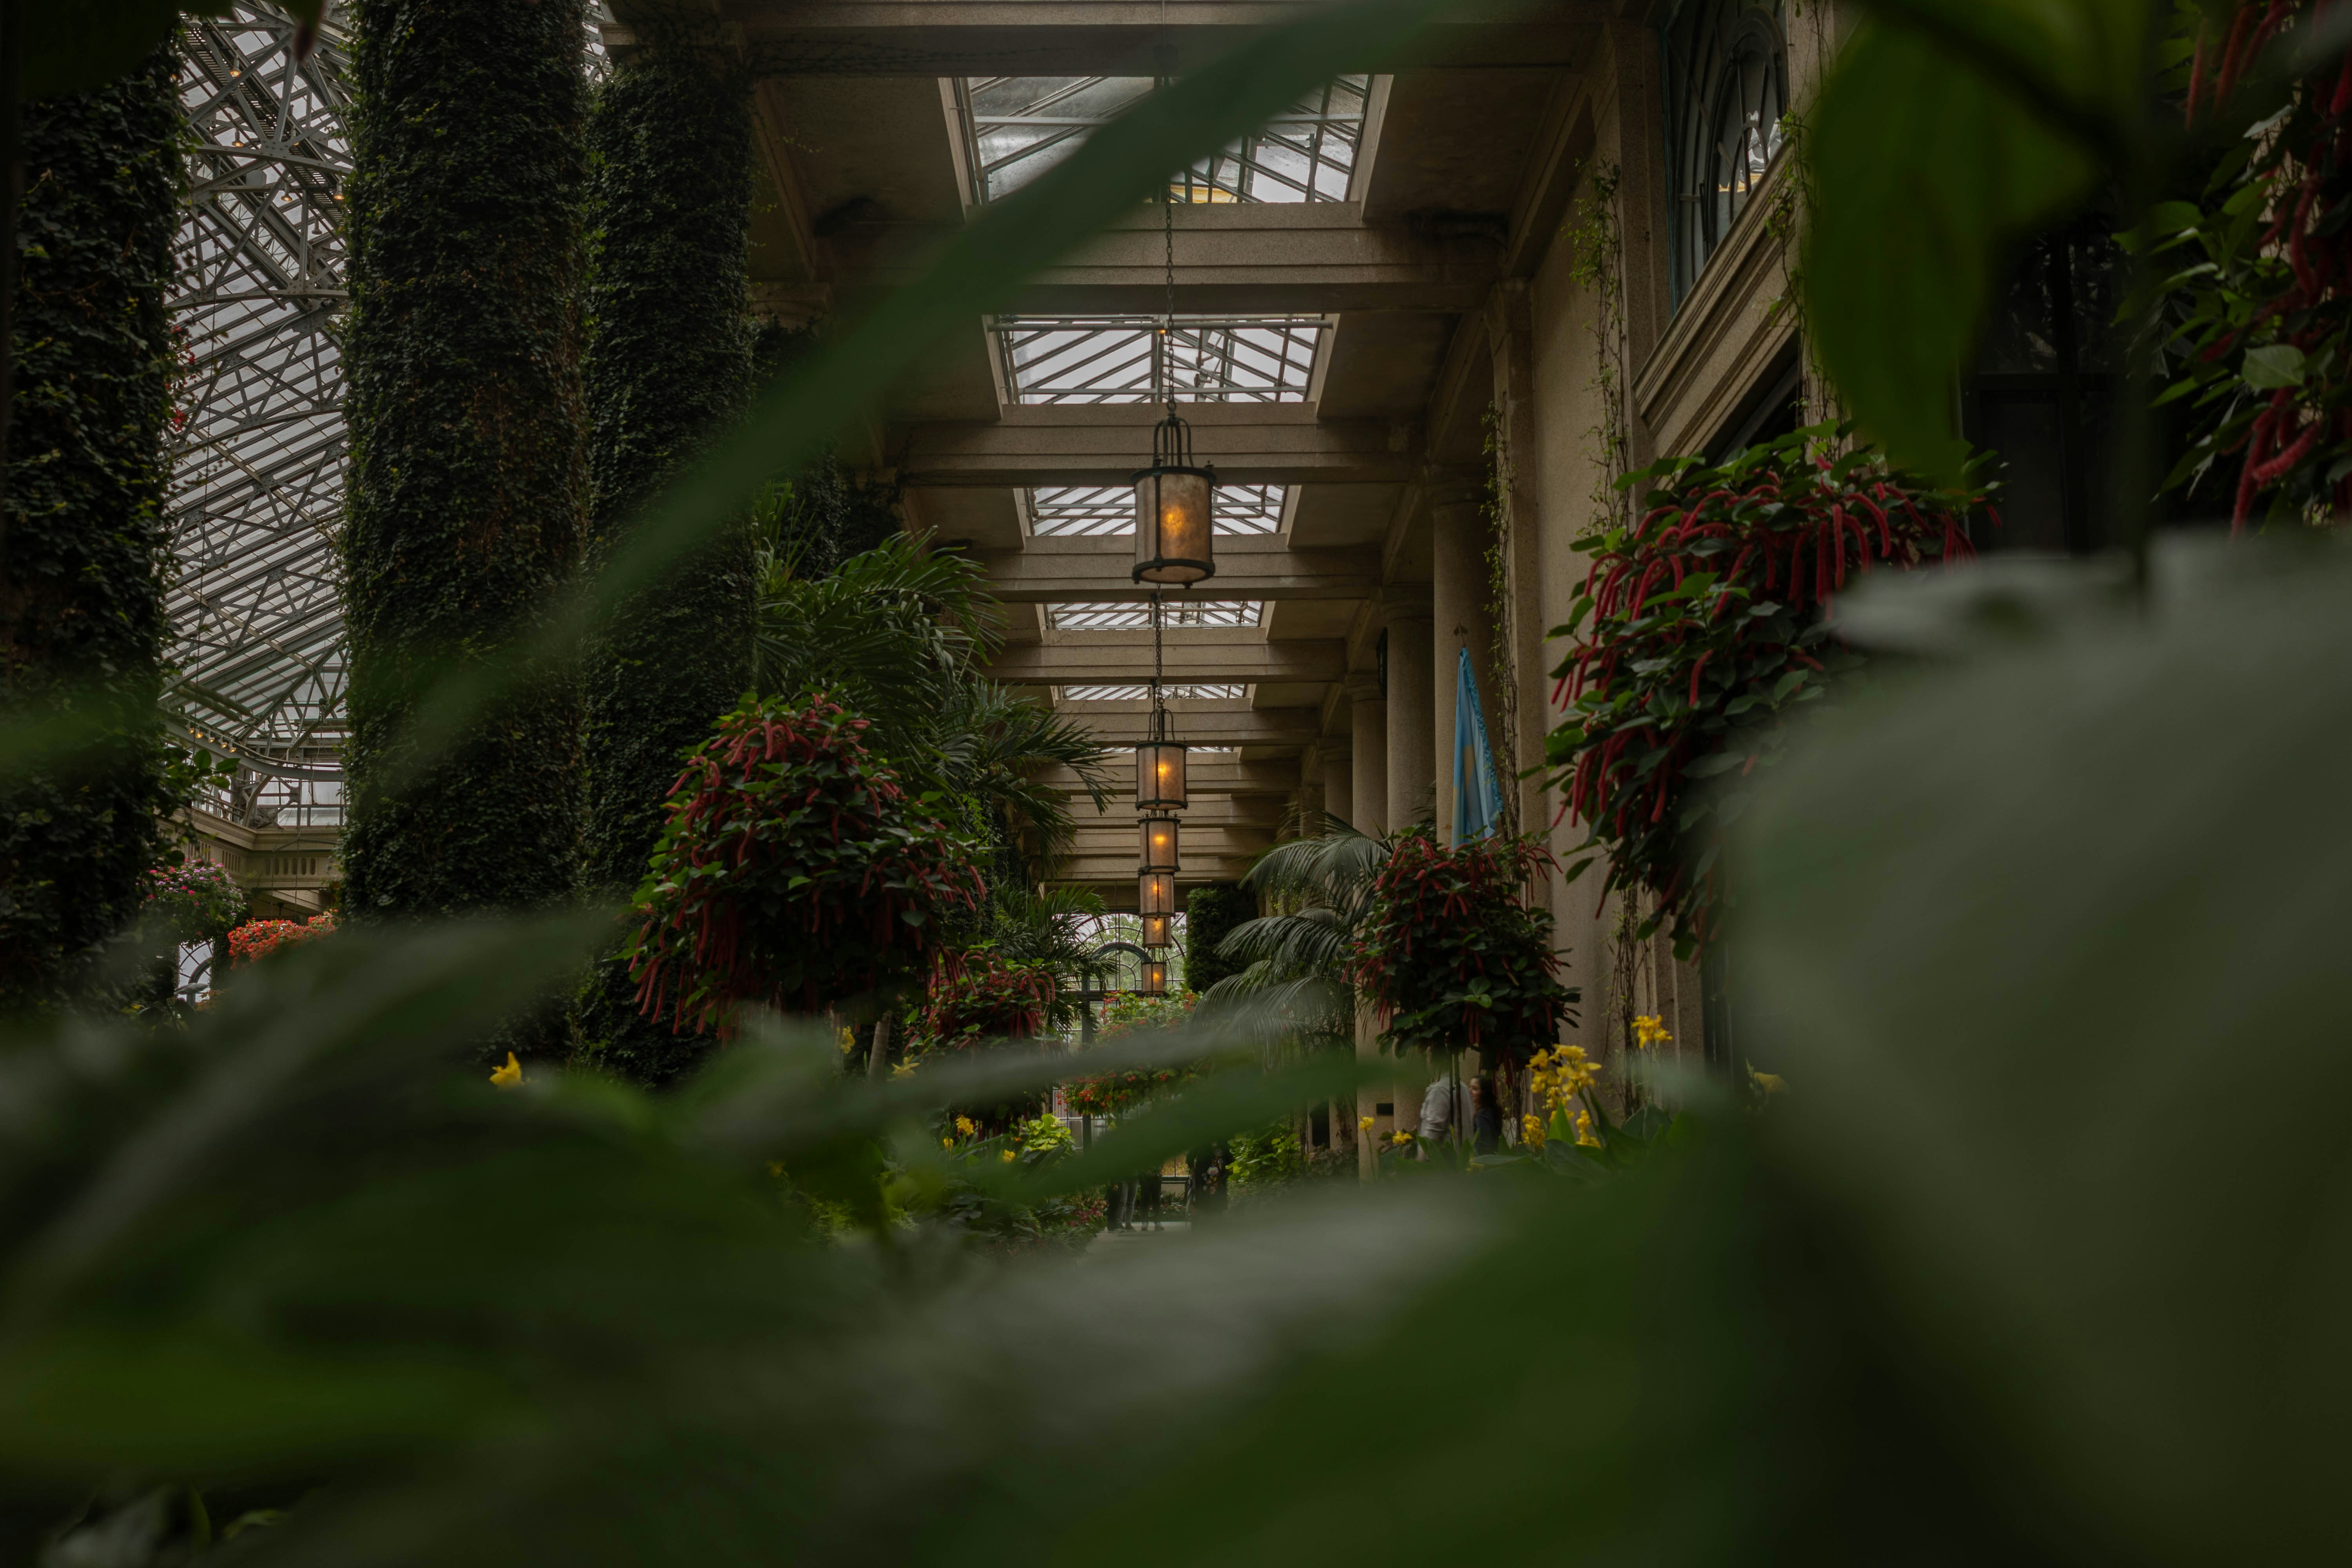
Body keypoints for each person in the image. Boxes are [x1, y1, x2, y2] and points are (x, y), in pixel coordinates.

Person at [1470, 1075, 1503, 1154]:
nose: (1470, 1091)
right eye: (1470, 1087)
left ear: (1484, 1093)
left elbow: (1484, 1146)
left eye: (1475, 1089)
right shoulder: (1490, 1111)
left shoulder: (1483, 1115)